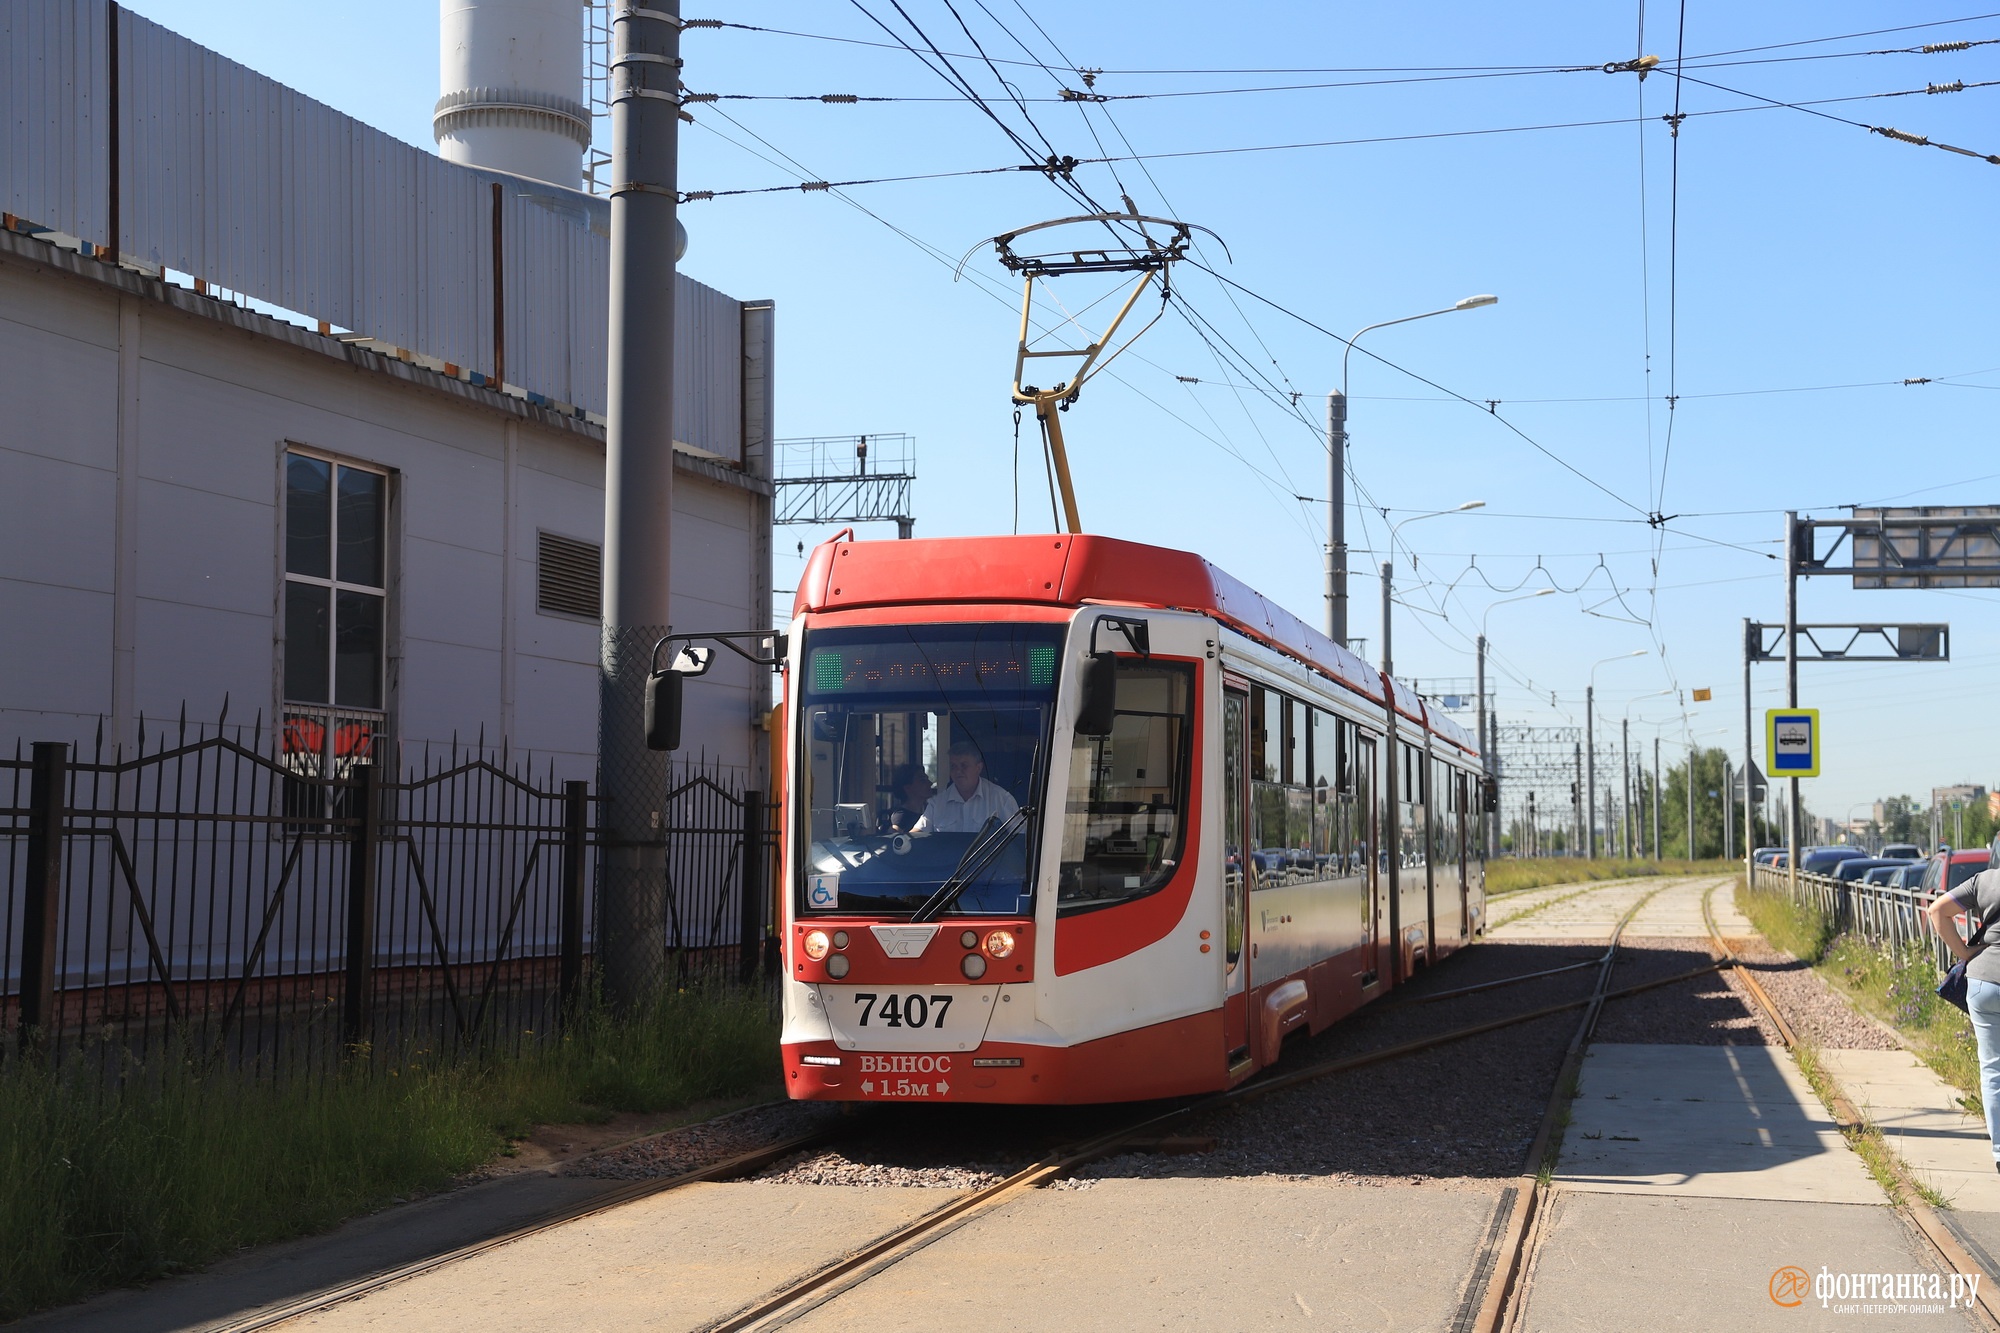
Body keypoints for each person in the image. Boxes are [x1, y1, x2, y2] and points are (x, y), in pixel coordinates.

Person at [1928, 835, 2000, 1173]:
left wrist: (1965, 954)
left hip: (1983, 982)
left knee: (1993, 1070)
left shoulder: (1984, 881)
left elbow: (1937, 911)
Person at [912, 740, 1018, 834]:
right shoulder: (937, 804)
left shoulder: (1002, 800)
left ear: (978, 768)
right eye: (954, 766)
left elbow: (1020, 841)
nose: (958, 771)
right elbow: (917, 835)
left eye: (964, 765)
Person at [882, 763, 934, 834]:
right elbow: (894, 840)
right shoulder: (901, 816)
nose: (930, 783)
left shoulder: (929, 811)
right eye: (922, 780)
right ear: (908, 788)